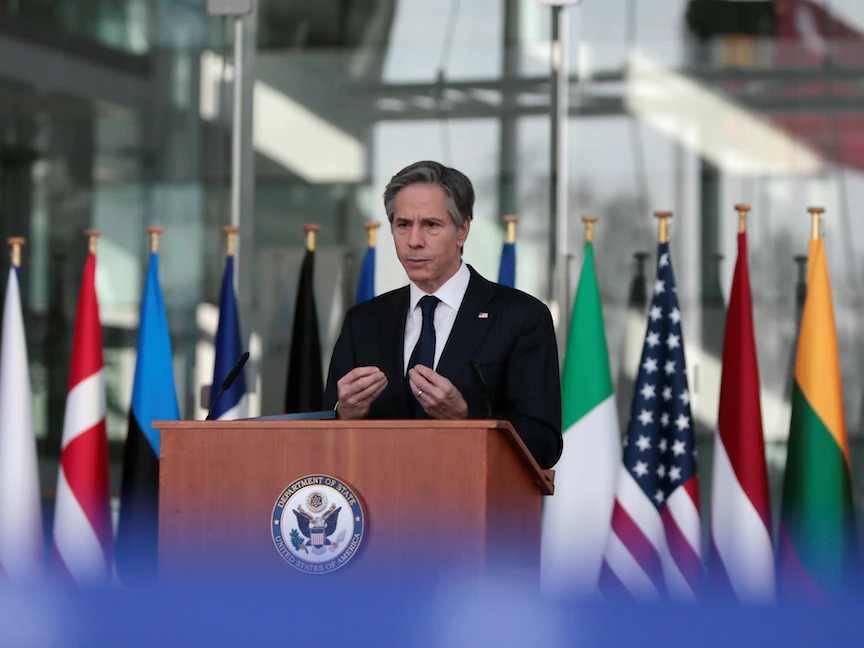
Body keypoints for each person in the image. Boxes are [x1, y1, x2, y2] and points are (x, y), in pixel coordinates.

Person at [322, 161, 562, 470]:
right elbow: (321, 434)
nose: (414, 241)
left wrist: (467, 418)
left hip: (471, 495)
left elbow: (543, 444)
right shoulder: (364, 321)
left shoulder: (521, 317)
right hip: (378, 495)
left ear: (462, 230)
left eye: (431, 225)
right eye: (403, 224)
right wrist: (343, 414)